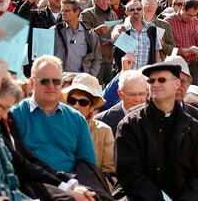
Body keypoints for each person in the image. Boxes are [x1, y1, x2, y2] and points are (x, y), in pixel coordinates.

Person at [114, 56, 198, 200]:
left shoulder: (194, 127)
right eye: (151, 81)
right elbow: (129, 173)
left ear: (177, 84)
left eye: (161, 80)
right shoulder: (130, 125)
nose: (155, 84)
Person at [9, 55, 107, 196]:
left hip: (73, 183)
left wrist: (82, 190)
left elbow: (87, 164)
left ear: (61, 84)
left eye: (56, 81)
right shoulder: (15, 115)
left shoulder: (76, 119)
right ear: (31, 83)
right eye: (44, 81)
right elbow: (17, 164)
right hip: (31, 185)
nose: (51, 86)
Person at [62, 74, 114, 176]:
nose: (76, 106)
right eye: (72, 101)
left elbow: (110, 172)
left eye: (83, 102)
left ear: (92, 107)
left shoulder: (104, 131)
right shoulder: (55, 127)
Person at [52, 0, 102, 78]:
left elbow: (97, 58)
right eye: (62, 11)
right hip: (60, 79)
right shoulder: (54, 31)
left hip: (80, 80)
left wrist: (90, 76)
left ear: (77, 12)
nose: (63, 13)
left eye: (67, 10)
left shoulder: (89, 34)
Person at [93, 69, 147, 135]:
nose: (137, 99)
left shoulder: (155, 118)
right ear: (120, 94)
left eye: (141, 94)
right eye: (131, 94)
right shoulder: (102, 121)